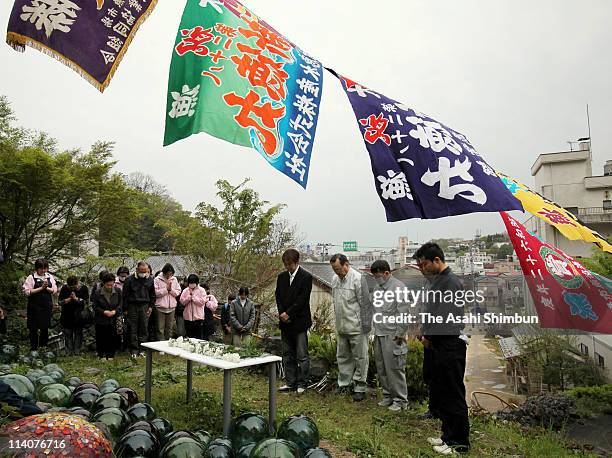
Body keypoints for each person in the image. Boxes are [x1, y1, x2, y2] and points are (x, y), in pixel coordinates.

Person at [414, 243, 470, 455]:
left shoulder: (451, 283)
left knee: (454, 394)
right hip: (440, 345)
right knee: (444, 394)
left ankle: (459, 442)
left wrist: (429, 335)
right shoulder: (439, 281)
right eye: (420, 265)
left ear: (437, 260)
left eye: (425, 263)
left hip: (450, 345)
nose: (423, 268)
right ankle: (448, 436)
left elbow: (445, 318)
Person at [329, 254, 371, 402]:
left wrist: (366, 325)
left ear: (346, 264)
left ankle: (360, 387)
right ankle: (344, 384)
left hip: (357, 327)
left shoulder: (358, 279)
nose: (337, 272)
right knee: (342, 357)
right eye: (334, 269)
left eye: (338, 269)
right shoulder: (334, 280)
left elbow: (365, 304)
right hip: (341, 326)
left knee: (360, 358)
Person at [370, 260, 410, 411]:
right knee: (382, 368)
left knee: (395, 369)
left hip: (393, 335)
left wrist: (400, 333)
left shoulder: (399, 287)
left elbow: (404, 313)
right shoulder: (377, 288)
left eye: (378, 276)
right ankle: (388, 396)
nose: (376, 279)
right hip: (379, 333)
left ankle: (400, 401)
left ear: (386, 273)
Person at [275, 249, 313, 394]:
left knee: (302, 355)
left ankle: (303, 382)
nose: (287, 267)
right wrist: (281, 313)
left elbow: (302, 300)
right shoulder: (282, 277)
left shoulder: (306, 277)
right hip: (285, 321)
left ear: (297, 262)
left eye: (290, 264)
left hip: (299, 321)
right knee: (287, 353)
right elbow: (278, 296)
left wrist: (289, 313)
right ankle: (290, 382)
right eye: (285, 264)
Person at [122, 261, 155, 358]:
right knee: (133, 328)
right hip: (132, 306)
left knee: (144, 328)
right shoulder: (129, 280)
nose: (143, 272)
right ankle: (134, 350)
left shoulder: (150, 279)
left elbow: (153, 294)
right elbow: (125, 295)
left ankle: (142, 350)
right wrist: (125, 309)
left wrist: (151, 307)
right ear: (137, 269)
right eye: (142, 271)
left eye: (145, 271)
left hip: (145, 305)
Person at [22, 259, 57, 350]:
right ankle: (33, 348)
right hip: (34, 306)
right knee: (33, 328)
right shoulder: (31, 277)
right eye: (41, 269)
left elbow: (54, 290)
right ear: (37, 268)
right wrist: (41, 288)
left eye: (45, 268)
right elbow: (27, 292)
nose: (44, 271)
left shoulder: (50, 277)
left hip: (46, 306)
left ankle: (43, 347)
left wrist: (46, 288)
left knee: (44, 327)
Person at [92, 271, 121, 361]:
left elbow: (121, 304)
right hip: (101, 318)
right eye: (108, 285)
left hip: (113, 317)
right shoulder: (97, 293)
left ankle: (111, 354)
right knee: (101, 336)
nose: (110, 287)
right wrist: (104, 311)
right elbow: (94, 306)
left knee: (112, 336)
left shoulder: (118, 291)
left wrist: (115, 311)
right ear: (104, 283)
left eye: (111, 285)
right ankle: (102, 354)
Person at [58, 276, 89, 356]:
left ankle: (77, 351)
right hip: (67, 314)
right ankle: (69, 352)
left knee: (78, 333)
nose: (72, 288)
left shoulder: (83, 288)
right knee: (68, 333)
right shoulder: (64, 288)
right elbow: (59, 302)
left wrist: (76, 299)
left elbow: (86, 302)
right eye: (70, 287)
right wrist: (67, 300)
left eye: (74, 286)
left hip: (79, 315)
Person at [154, 264, 181, 341]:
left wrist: (171, 290)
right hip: (160, 307)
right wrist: (166, 289)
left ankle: (168, 345)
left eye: (171, 274)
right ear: (164, 272)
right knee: (160, 328)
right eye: (168, 274)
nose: (169, 276)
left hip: (171, 307)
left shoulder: (174, 279)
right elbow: (156, 293)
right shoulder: (157, 279)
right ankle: (161, 347)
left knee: (169, 328)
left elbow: (178, 291)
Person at [180, 274, 207, 339]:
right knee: (189, 336)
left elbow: (202, 302)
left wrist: (194, 298)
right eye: (190, 283)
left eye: (193, 283)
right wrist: (188, 297)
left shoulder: (202, 290)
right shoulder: (185, 290)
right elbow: (182, 301)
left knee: (198, 337)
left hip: (198, 318)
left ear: (197, 283)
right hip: (188, 318)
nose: (191, 284)